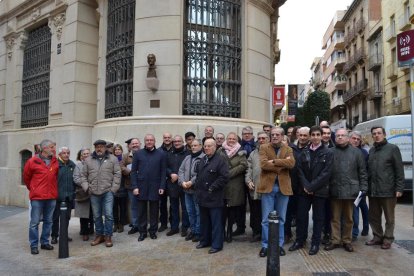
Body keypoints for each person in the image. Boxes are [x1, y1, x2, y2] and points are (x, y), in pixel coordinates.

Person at [289, 126, 333, 256]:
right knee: (301, 216)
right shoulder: (304, 151)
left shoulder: (328, 152)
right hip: (304, 190)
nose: (315, 137)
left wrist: (312, 187)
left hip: (320, 191)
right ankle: (300, 240)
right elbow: (300, 171)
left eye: (317, 134)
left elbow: (326, 173)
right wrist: (306, 186)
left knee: (318, 218)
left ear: (321, 136)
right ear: (310, 136)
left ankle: (315, 243)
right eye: (312, 134)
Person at [324, 129, 367, 253]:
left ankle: (347, 241)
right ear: (335, 138)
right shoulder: (330, 152)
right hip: (335, 189)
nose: (340, 137)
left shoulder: (357, 152)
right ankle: (335, 240)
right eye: (338, 136)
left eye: (343, 135)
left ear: (348, 138)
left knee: (349, 218)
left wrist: (363, 188)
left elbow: (362, 172)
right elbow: (326, 172)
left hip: (351, 190)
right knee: (335, 218)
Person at [257, 127, 295, 257]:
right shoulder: (263, 148)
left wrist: (274, 161)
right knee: (266, 219)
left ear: (282, 136)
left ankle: (279, 245)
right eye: (272, 134)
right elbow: (263, 165)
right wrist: (281, 166)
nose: (274, 137)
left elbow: (291, 164)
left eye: (277, 135)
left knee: (281, 219)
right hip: (268, 187)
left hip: (283, 188)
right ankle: (265, 246)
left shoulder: (288, 149)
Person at [365, 126, 404, 250]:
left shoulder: (392, 149)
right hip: (373, 191)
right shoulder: (371, 151)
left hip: (388, 190)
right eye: (374, 133)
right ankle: (377, 237)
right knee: (374, 216)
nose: (376, 135)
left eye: (379, 133)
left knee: (389, 217)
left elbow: (399, 170)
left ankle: (388, 239)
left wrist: (399, 188)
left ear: (384, 134)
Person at [81, 139, 121, 247]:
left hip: (108, 191)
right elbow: (83, 176)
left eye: (101, 146)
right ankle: (99, 235)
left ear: (105, 147)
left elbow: (117, 174)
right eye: (97, 146)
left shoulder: (113, 159)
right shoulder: (88, 160)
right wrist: (87, 188)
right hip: (93, 192)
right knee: (97, 216)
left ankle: (108, 236)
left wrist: (114, 189)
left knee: (108, 215)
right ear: (95, 148)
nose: (99, 148)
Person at [24, 139, 58, 255]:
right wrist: (34, 189)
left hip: (51, 197)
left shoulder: (55, 161)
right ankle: (34, 245)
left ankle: (44, 242)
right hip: (37, 198)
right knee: (34, 222)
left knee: (48, 221)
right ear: (44, 148)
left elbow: (56, 177)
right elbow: (26, 178)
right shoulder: (32, 161)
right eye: (52, 147)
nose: (54, 149)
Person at [195, 138, 229, 254]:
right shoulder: (203, 159)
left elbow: (224, 177)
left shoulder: (220, 160)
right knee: (205, 222)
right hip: (202, 196)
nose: (207, 148)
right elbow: (199, 176)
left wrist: (212, 187)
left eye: (209, 146)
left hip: (214, 196)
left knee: (216, 223)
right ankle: (205, 241)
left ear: (215, 147)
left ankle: (217, 245)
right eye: (205, 146)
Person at [131, 134, 167, 241]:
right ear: (144, 142)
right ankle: (142, 232)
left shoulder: (161, 154)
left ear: (155, 141)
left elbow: (163, 171)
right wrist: (135, 186)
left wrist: (162, 186)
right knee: (141, 211)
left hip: (155, 187)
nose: (149, 142)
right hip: (141, 187)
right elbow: (133, 172)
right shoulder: (138, 154)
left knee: (154, 211)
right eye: (147, 140)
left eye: (151, 140)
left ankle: (153, 231)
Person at [217, 132, 248, 242]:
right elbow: (216, 164)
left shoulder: (241, 151)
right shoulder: (220, 151)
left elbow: (244, 165)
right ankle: (223, 232)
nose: (231, 140)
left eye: (233, 139)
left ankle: (230, 231)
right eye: (229, 138)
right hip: (223, 185)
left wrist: (229, 173)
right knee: (222, 211)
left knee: (232, 211)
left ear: (237, 140)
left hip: (235, 185)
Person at [285, 126, 310, 242]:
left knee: (302, 216)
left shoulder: (311, 149)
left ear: (309, 136)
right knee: (286, 213)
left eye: (305, 135)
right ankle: (287, 234)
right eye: (301, 135)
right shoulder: (290, 149)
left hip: (304, 189)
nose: (303, 138)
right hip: (290, 187)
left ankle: (301, 239)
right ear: (297, 135)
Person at [178, 139, 205, 242]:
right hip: (186, 191)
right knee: (190, 212)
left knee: (198, 212)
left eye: (195, 145)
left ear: (200, 146)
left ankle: (198, 232)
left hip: (197, 190)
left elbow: (200, 173)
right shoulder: (187, 158)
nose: (193, 147)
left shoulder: (203, 158)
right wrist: (182, 182)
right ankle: (193, 230)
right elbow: (181, 171)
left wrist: (191, 182)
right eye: (192, 146)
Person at [245, 131, 269, 242]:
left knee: (267, 212)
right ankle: (256, 232)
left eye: (264, 138)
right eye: (259, 138)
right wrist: (248, 180)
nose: (261, 140)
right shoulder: (253, 153)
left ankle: (267, 234)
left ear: (268, 139)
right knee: (255, 212)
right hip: (254, 188)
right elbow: (248, 169)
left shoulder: (272, 152)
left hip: (268, 189)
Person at [51, 147, 76, 244]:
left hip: (68, 196)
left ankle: (64, 235)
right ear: (59, 154)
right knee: (55, 218)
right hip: (57, 197)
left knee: (66, 218)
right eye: (64, 153)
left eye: (68, 153)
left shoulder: (71, 164)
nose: (66, 155)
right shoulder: (56, 164)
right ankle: (54, 236)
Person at [166, 135, 190, 237]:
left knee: (185, 208)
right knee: (173, 208)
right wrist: (171, 173)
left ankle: (185, 228)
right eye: (175, 141)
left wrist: (180, 177)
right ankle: (174, 228)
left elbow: (189, 168)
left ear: (183, 141)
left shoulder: (188, 154)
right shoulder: (169, 154)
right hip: (172, 185)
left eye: (179, 141)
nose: (176, 143)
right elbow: (165, 167)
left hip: (184, 184)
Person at [349, 131, 369, 241]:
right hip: (351, 186)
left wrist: (364, 186)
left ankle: (358, 231)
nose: (356, 140)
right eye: (354, 138)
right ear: (349, 139)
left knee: (360, 207)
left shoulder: (364, 153)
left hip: (361, 186)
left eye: (358, 139)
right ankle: (355, 231)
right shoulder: (346, 151)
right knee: (358, 207)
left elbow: (366, 170)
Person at [121, 138, 141, 235]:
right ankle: (135, 225)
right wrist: (131, 172)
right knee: (134, 206)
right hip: (131, 185)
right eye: (133, 144)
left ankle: (142, 224)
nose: (135, 145)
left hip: (143, 184)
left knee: (143, 205)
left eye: (136, 143)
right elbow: (121, 166)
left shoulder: (144, 154)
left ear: (140, 144)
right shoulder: (125, 156)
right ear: (130, 145)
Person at [73, 148, 94, 241]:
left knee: (93, 213)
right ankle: (84, 232)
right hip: (83, 193)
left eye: (87, 153)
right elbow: (76, 179)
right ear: (81, 156)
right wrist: (86, 184)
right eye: (84, 154)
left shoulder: (94, 164)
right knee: (84, 214)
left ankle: (91, 229)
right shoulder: (78, 166)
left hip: (94, 193)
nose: (86, 155)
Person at [159, 132, 173, 232]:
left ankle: (173, 223)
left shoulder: (175, 150)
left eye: (169, 137)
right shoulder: (159, 151)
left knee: (173, 204)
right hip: (161, 181)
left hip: (173, 181)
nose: (167, 139)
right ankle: (163, 224)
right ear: (163, 138)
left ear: (171, 138)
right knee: (162, 204)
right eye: (165, 137)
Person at [112, 144, 128, 233]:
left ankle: (121, 224)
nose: (117, 151)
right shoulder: (111, 160)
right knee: (114, 208)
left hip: (123, 187)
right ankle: (115, 224)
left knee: (123, 208)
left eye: (119, 149)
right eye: (116, 150)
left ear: (121, 151)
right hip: (113, 188)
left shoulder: (124, 160)